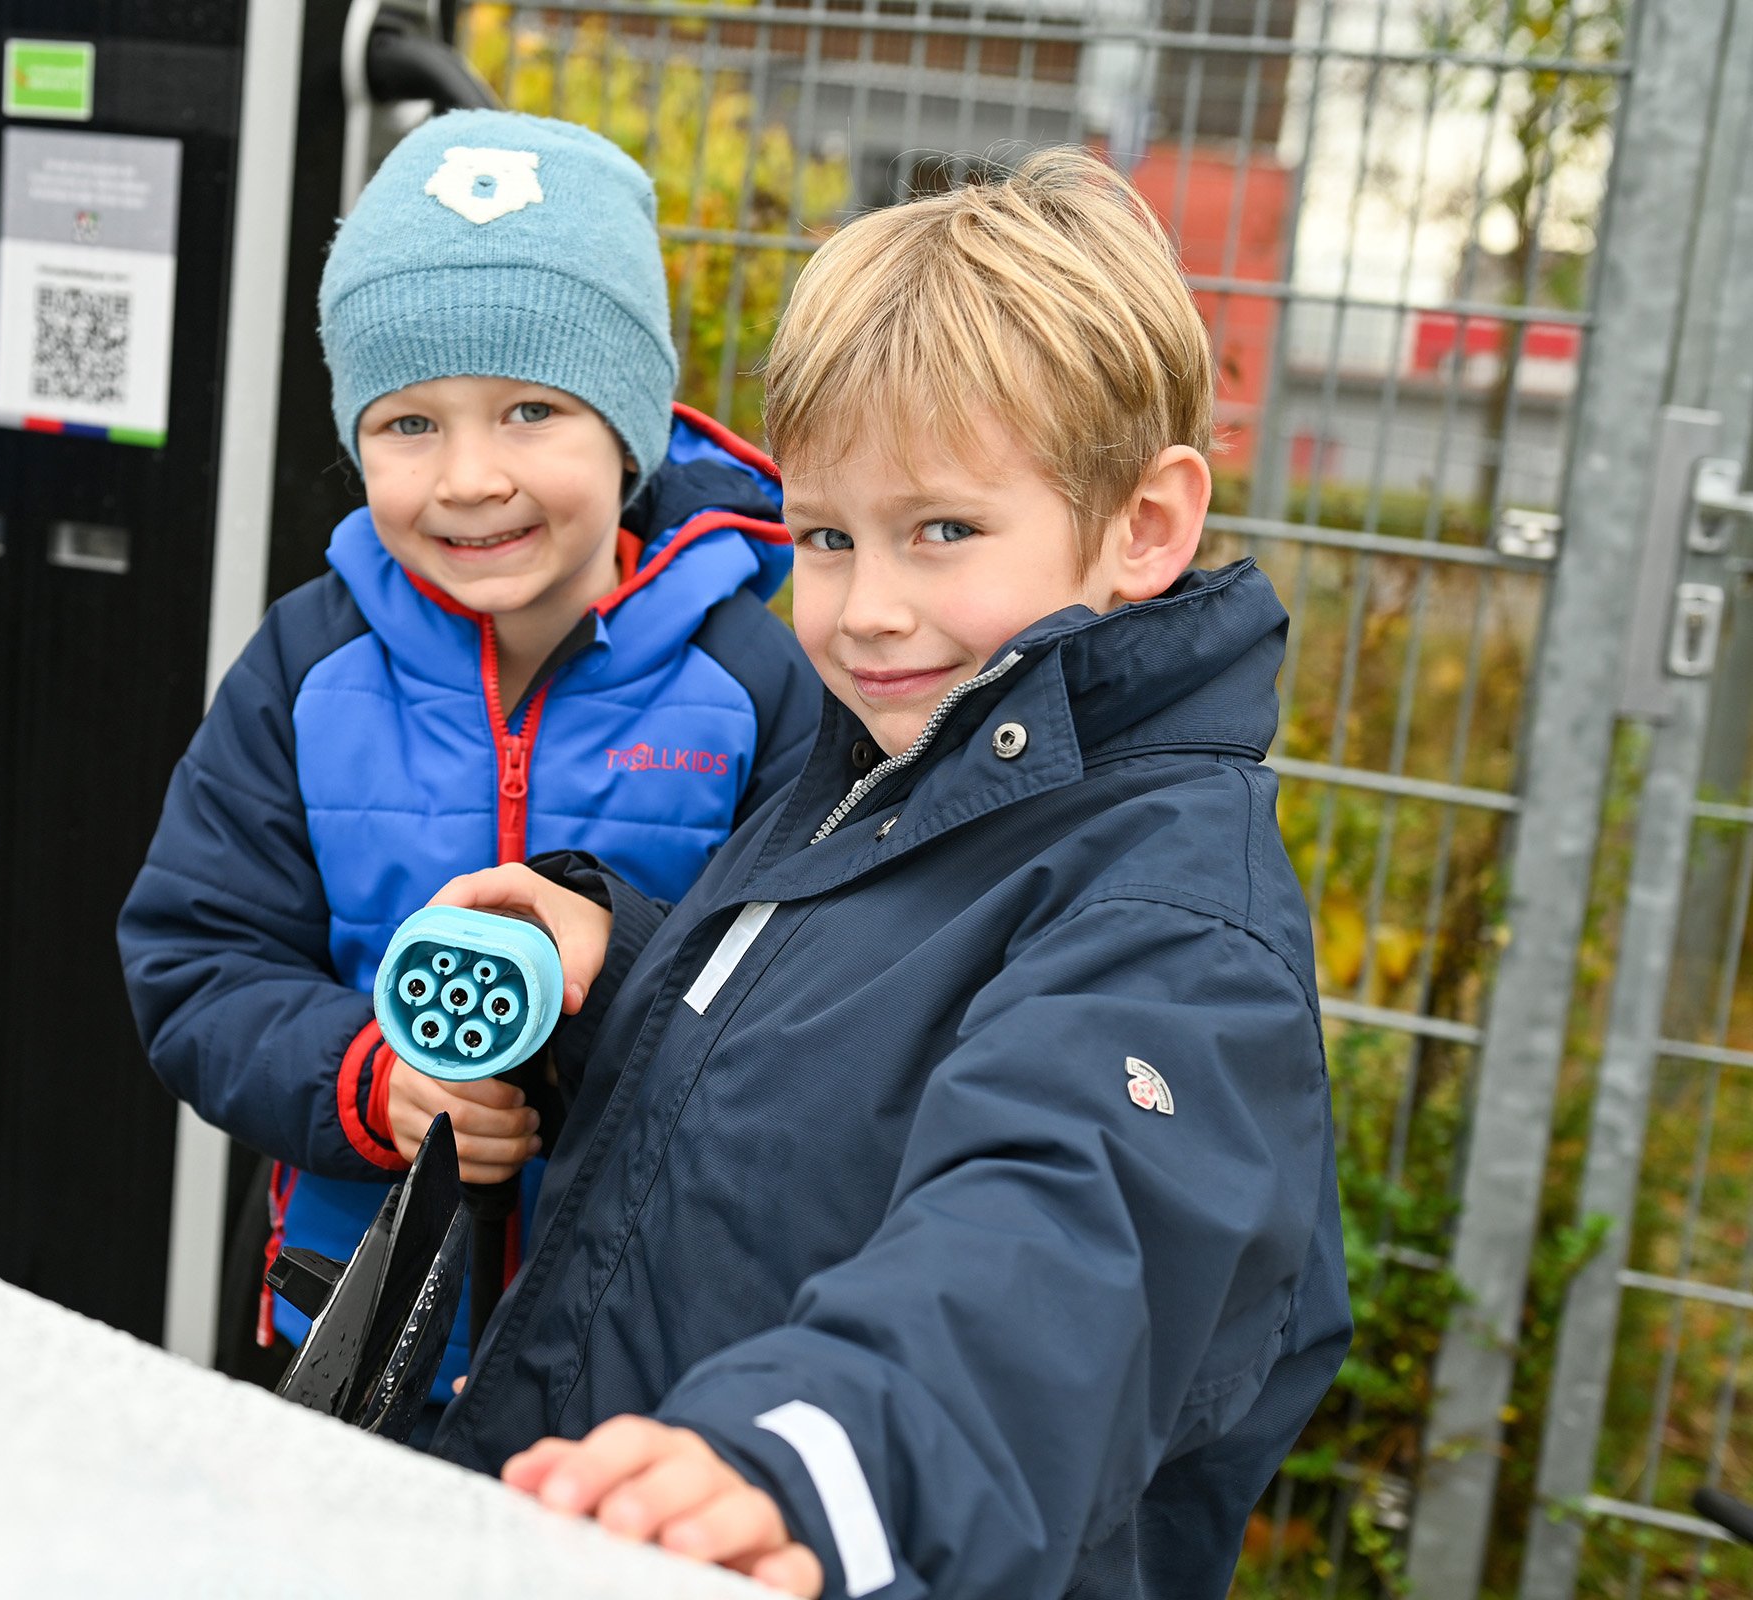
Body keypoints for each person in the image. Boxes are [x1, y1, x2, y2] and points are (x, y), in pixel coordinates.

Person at [422, 147, 1353, 1599]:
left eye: (944, 531)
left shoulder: (1172, 922)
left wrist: (812, 1462)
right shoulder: (897, 768)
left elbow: (1061, 1240)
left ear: (1145, 526)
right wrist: (624, 979)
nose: (868, 609)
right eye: (826, 538)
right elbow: (842, 1075)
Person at [116, 110, 822, 1411]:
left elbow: (804, 1013)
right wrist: (370, 1081)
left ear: (630, 424)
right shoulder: (306, 667)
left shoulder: (759, 685)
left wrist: (614, 995)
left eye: (532, 409)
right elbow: (194, 958)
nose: (471, 478)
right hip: (359, 1327)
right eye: (408, 425)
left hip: (640, 1361)